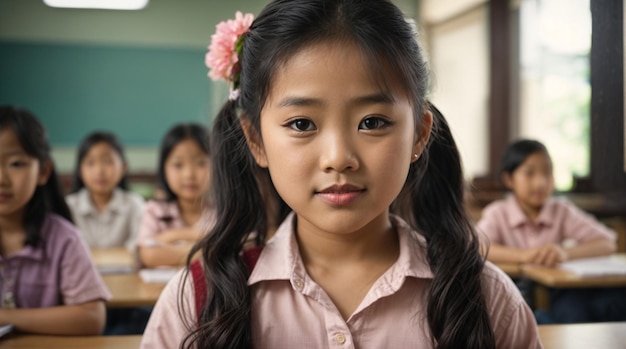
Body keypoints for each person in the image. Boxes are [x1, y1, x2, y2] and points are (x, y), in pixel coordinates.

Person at [141, 1, 542, 348]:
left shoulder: (484, 298)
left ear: (419, 134)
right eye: (301, 124)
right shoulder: (197, 300)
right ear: (256, 140)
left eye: (372, 122)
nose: (338, 158)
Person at [477, 139, 623, 323]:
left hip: (558, 292)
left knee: (582, 311)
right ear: (509, 179)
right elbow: (478, 247)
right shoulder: (498, 212)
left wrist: (564, 253)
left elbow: (607, 243)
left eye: (547, 173)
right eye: (530, 173)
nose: (541, 182)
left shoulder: (561, 210)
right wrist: (525, 255)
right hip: (512, 291)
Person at [0, 105, 110, 335]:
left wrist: (6, 317)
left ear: (43, 171)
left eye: (16, 164)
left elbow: (92, 317)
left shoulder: (63, 238)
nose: (2, 178)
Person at [137, 123, 213, 268]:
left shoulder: (224, 211)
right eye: (178, 165)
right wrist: (194, 237)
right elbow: (149, 255)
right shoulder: (155, 210)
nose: (189, 174)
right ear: (163, 169)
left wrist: (166, 240)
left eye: (201, 163)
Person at [66, 131, 144, 250]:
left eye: (107, 161)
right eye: (90, 163)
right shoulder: (69, 207)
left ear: (123, 167)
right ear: (80, 169)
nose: (99, 171)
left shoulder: (134, 205)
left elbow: (138, 249)